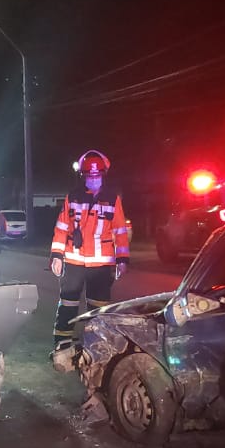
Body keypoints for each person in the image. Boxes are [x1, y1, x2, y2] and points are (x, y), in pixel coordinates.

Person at [50, 149, 129, 348]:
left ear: (103, 175)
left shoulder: (113, 198)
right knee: (68, 302)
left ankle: (96, 343)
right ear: (83, 176)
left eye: (97, 175)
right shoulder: (73, 197)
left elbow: (120, 231)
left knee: (98, 307)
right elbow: (61, 227)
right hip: (75, 259)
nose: (93, 179)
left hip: (101, 263)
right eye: (89, 176)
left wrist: (122, 259)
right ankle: (63, 341)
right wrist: (57, 256)